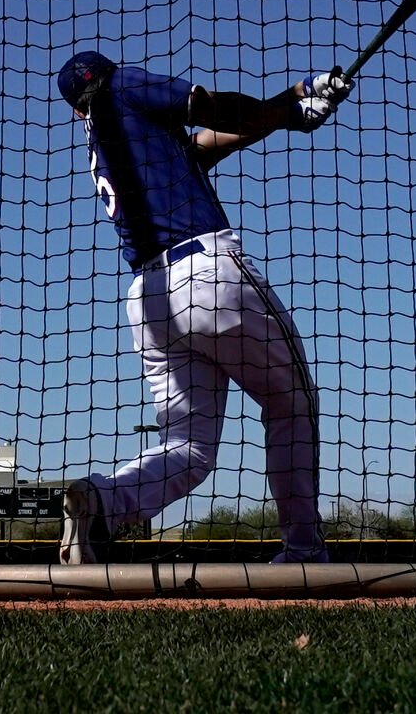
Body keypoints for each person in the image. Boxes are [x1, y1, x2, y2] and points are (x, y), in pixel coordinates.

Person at [55, 49, 352, 565]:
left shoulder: (109, 141)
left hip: (149, 299)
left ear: (76, 110)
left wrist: (293, 102)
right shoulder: (120, 88)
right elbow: (209, 107)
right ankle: (304, 550)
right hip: (208, 273)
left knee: (188, 446)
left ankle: (105, 499)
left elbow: (202, 147)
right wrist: (287, 108)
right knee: (291, 404)